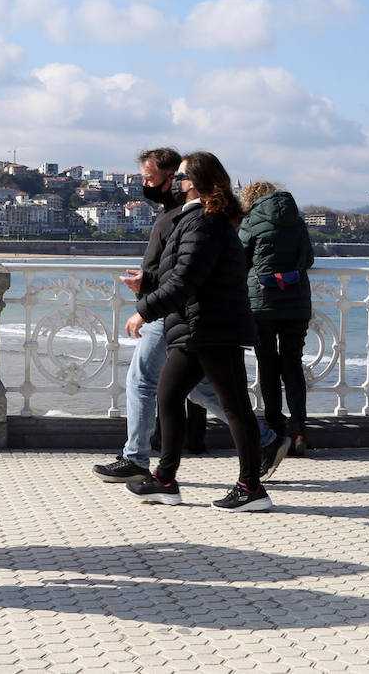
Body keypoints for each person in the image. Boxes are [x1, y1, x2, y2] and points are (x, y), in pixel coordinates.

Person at [93, 149, 288, 487]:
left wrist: (145, 309)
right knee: (189, 393)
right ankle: (169, 478)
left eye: (152, 178)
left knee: (152, 384)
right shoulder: (191, 216)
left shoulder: (201, 220)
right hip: (190, 319)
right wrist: (148, 283)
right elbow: (181, 269)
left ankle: (142, 462)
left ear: (186, 181)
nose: (147, 185)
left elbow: (187, 277)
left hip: (196, 319)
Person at [239, 181, 315, 456]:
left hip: (262, 303)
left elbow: (240, 259)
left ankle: (275, 428)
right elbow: (308, 259)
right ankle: (299, 429)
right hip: (296, 302)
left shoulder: (251, 221)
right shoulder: (297, 221)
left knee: (268, 363)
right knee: (292, 363)